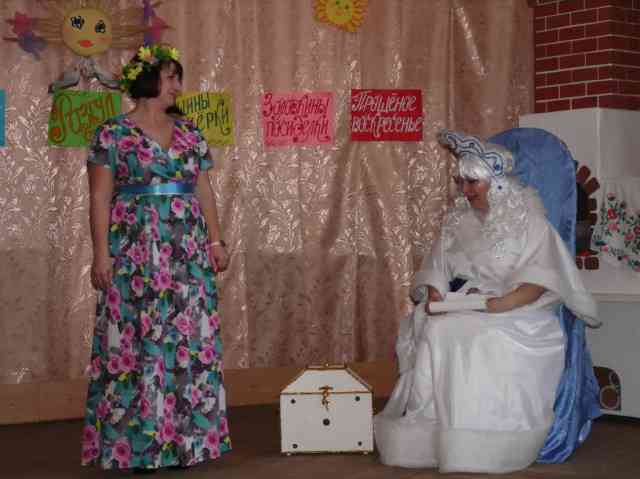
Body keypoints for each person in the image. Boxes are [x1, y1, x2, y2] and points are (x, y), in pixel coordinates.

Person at [373, 130, 600, 474]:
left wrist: (501, 305)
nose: (465, 191)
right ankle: (434, 434)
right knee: (437, 330)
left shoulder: (531, 224)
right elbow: (436, 268)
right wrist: (435, 291)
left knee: (478, 336)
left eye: (472, 183)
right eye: (461, 182)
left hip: (519, 309)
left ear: (497, 184)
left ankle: (486, 439)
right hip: (468, 303)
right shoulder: (457, 224)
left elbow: (539, 281)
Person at [81, 44, 231, 473]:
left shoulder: (191, 132)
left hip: (187, 251)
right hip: (133, 252)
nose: (178, 86)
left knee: (188, 342)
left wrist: (216, 241)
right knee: (134, 343)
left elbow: (204, 190)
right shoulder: (112, 133)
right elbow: (99, 197)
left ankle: (187, 443)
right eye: (171, 78)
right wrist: (101, 254)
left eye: (178, 78)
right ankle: (137, 446)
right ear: (148, 82)